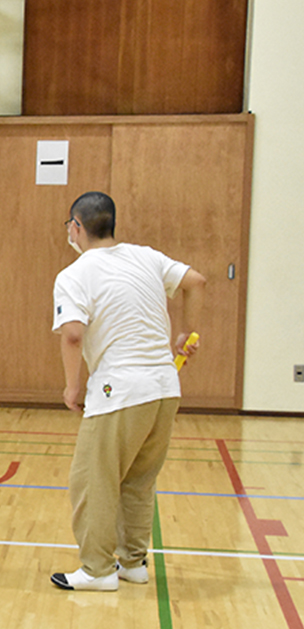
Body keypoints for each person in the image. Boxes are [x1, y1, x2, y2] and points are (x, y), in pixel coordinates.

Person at [50, 192, 206, 591]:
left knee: (93, 482)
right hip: (164, 388)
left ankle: (98, 570)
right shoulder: (147, 257)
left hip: (119, 389)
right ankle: (132, 563)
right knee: (138, 480)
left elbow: (72, 335)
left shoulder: (74, 274)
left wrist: (73, 385)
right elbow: (195, 281)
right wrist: (186, 331)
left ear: (76, 227)